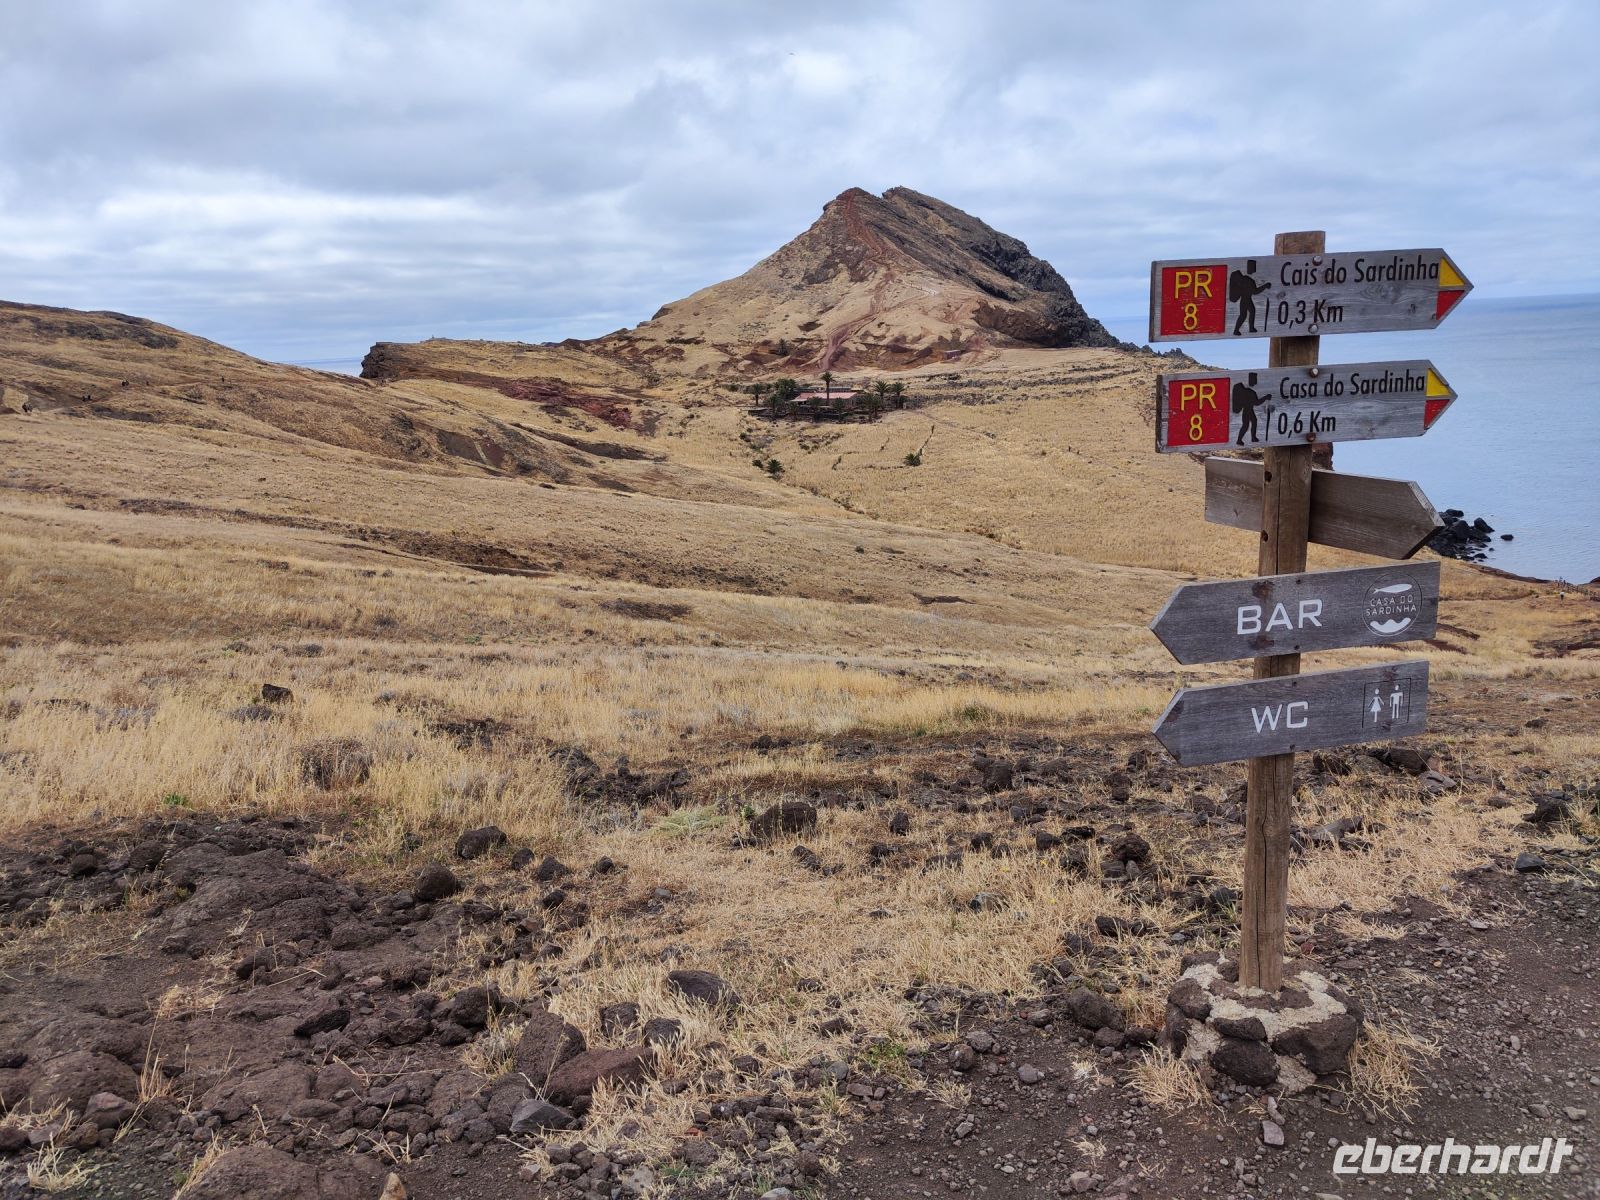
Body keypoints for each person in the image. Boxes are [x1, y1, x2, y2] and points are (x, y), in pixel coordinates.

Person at [1229, 260, 1270, 335]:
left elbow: (1254, 291)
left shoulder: (1247, 279)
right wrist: (1265, 286)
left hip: (1247, 299)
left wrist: (1265, 286)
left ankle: (1250, 328)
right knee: (1243, 315)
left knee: (1251, 311)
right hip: (1245, 300)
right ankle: (1237, 330)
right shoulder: (1246, 280)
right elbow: (1255, 291)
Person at [1232, 372, 1266, 445]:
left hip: (1250, 409)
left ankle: (1253, 437)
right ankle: (1239, 440)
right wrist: (1265, 398)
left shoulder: (1249, 391)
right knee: (1246, 425)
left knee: (1254, 421)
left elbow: (1256, 402)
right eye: (1254, 380)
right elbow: (1257, 402)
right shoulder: (1249, 392)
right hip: (1247, 410)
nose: (1255, 382)